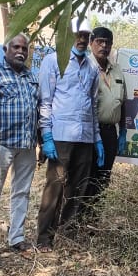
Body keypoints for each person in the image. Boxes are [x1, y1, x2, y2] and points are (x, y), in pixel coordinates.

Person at [36, 28, 100, 249]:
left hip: (85, 137)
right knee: (55, 187)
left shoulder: (92, 66)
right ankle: (44, 238)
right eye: (77, 36)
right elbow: (45, 100)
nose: (81, 40)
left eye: (85, 37)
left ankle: (67, 236)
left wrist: (97, 139)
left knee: (78, 189)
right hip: (61, 135)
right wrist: (46, 136)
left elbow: (93, 104)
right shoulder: (54, 60)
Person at [0, 33, 38, 252]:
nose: (20, 52)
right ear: (6, 49)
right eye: (16, 47)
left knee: (22, 192)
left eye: (24, 48)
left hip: (27, 144)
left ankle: (16, 238)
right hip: (2, 143)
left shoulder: (30, 76)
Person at [82, 26, 129, 206]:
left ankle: (94, 221)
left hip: (109, 133)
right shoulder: (84, 67)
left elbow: (123, 102)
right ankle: (80, 221)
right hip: (88, 133)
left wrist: (123, 131)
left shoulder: (117, 70)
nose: (104, 46)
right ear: (91, 43)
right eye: (99, 41)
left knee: (103, 179)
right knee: (86, 177)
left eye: (107, 42)